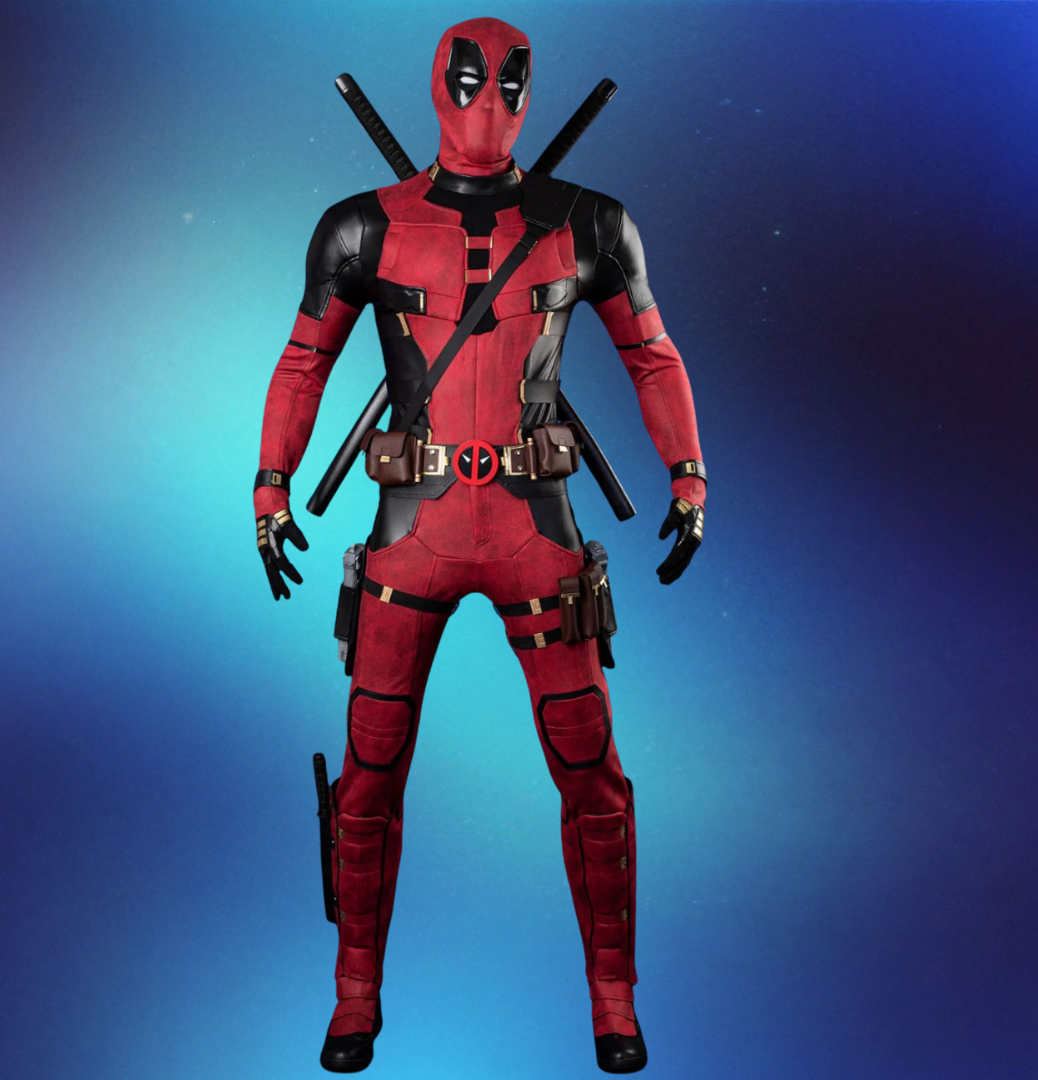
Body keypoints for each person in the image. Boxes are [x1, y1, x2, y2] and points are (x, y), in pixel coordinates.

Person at [252, 16, 706, 1074]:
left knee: (591, 772)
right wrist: (269, 488)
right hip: (409, 536)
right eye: (469, 83)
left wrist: (690, 474)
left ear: (530, 94)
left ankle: (613, 998)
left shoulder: (590, 224)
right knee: (368, 774)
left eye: (508, 86)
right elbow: (303, 362)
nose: (488, 105)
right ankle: (354, 994)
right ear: (437, 84)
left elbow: (652, 355)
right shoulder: (361, 228)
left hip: (536, 532)